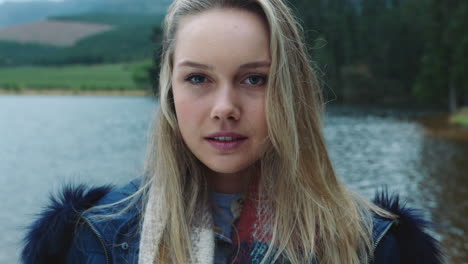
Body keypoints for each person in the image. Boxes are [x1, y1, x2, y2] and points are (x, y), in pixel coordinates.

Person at [21, 0, 443, 263]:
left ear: (290, 92)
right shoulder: (98, 236)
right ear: (170, 91)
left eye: (254, 79)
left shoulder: (373, 243)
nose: (225, 108)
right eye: (198, 79)